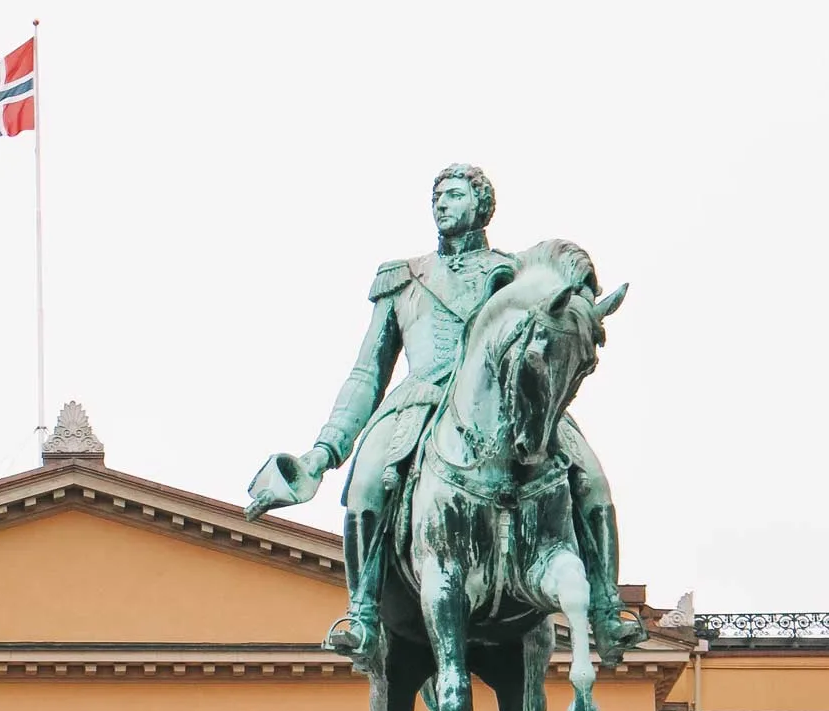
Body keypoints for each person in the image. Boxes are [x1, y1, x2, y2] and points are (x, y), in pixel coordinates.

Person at [250, 164, 641, 666]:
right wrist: (323, 453)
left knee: (593, 480)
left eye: (454, 194)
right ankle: (363, 615)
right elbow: (368, 372)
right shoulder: (402, 278)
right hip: (418, 401)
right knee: (366, 483)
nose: (441, 203)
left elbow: (566, 305)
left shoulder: (516, 272)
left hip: (513, 399)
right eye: (437, 195)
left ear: (481, 205)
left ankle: (607, 611)